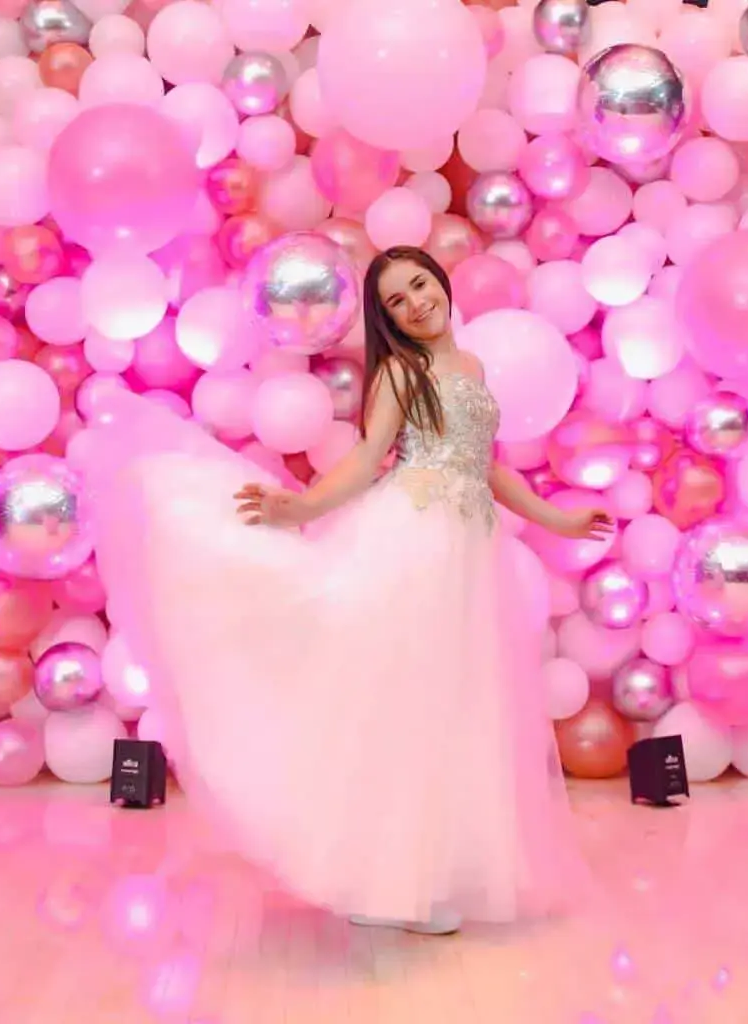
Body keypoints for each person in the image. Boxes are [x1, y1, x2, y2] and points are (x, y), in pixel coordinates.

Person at [90, 245, 611, 935]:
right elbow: (369, 460)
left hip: (466, 552)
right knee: (407, 704)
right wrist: (300, 511)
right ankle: (394, 880)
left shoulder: (473, 368)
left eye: (420, 285)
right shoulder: (402, 372)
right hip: (417, 543)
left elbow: (488, 469)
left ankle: (422, 870)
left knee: (453, 708)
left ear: (441, 281)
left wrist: (561, 519)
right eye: (397, 300)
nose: (415, 303)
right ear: (386, 317)